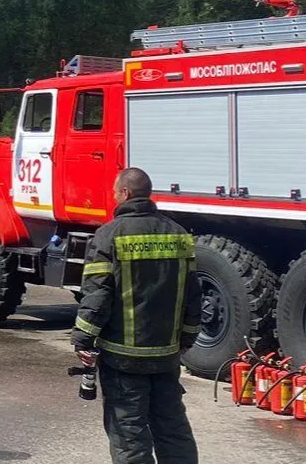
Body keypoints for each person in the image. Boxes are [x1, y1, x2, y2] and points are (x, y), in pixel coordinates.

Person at [71, 168, 200, 464]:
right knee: (173, 428)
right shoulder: (178, 234)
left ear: (125, 194)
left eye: (115, 191)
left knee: (129, 434)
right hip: (166, 356)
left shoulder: (109, 235)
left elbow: (98, 295)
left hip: (123, 359)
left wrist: (83, 339)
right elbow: (193, 294)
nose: (114, 196)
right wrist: (188, 337)